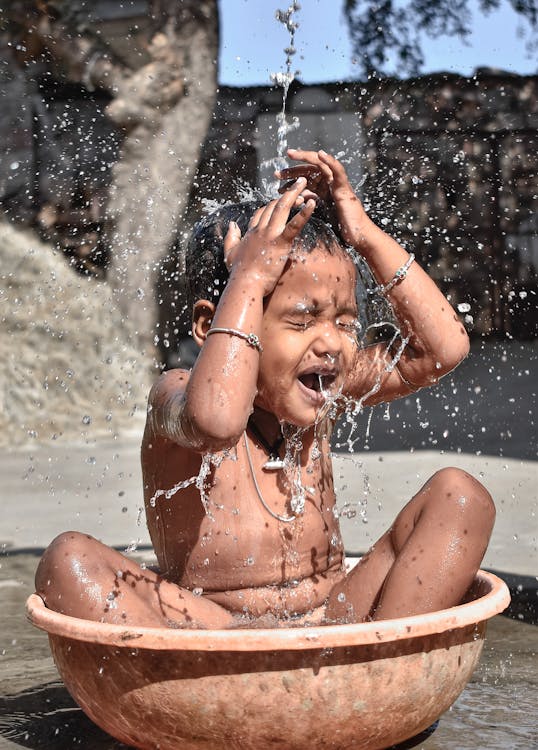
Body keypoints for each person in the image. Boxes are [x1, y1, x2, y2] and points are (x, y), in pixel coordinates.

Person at [36, 150, 495, 628]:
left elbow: (441, 349)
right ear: (211, 323)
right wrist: (251, 276)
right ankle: (222, 693)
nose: (332, 343)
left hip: (334, 622)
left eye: (345, 321)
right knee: (67, 559)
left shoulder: (321, 397)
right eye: (301, 319)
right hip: (215, 632)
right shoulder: (175, 395)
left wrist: (363, 235)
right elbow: (216, 423)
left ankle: (377, 668)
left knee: (460, 497)